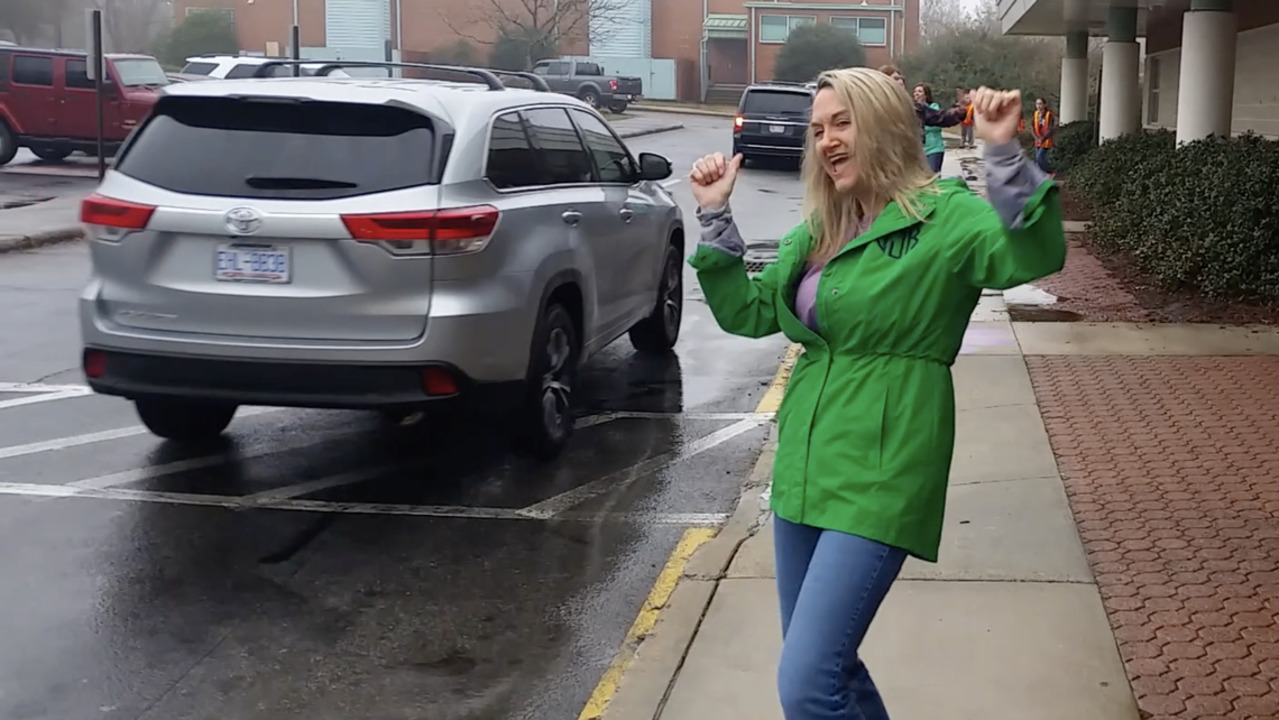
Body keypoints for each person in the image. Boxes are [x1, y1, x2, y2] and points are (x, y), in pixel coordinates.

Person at [686, 68, 1065, 720]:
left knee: (807, 684)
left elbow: (1029, 254)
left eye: (841, 123)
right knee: (828, 669)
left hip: (885, 464)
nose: (825, 140)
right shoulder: (821, 228)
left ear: (886, 126)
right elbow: (751, 312)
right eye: (817, 130)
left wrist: (1004, 154)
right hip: (807, 463)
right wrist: (715, 214)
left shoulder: (946, 217)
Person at [878, 64, 965, 130]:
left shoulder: (914, 107)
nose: (900, 81)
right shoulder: (876, 107)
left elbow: (940, 117)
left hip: (910, 152)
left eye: (901, 78)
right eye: (896, 78)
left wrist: (962, 110)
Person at [914, 83, 946, 173]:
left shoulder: (934, 107)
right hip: (920, 151)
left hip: (934, 149)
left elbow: (936, 126)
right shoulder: (913, 109)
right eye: (915, 91)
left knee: (933, 176)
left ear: (926, 95)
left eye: (920, 91)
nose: (916, 93)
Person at [1031, 96, 1056, 174]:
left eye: (1040, 104)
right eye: (1037, 104)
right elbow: (1032, 127)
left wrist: (1043, 138)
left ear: (1044, 105)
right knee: (1037, 159)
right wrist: (1035, 137)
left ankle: (1049, 171)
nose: (1038, 106)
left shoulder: (1049, 114)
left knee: (1039, 158)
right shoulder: (1035, 114)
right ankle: (1042, 174)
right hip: (1037, 140)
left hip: (1046, 140)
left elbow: (1050, 128)